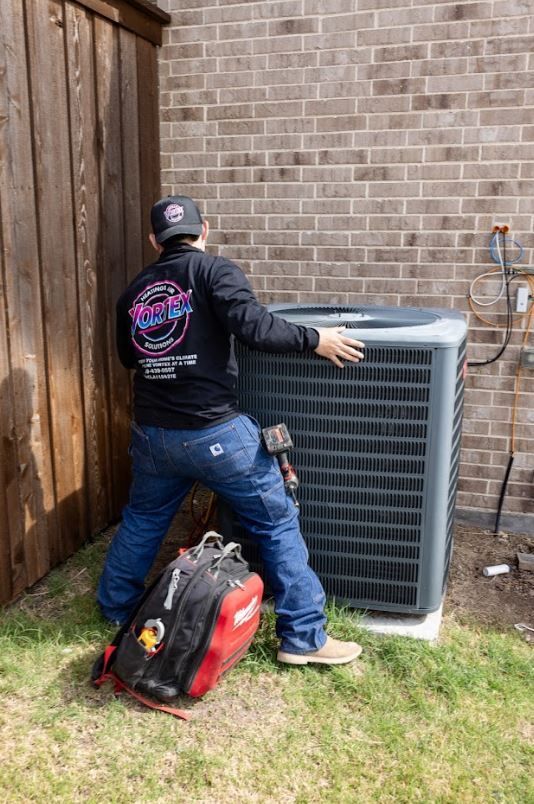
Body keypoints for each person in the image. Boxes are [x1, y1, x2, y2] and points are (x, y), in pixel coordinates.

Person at [97, 195, 365, 666]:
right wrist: (315, 339)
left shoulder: (133, 292)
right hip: (215, 434)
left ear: (154, 240)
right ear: (204, 230)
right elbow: (255, 329)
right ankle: (304, 638)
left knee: (143, 519)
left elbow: (128, 358)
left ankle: (116, 607)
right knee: (276, 521)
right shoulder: (214, 270)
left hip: (154, 436)